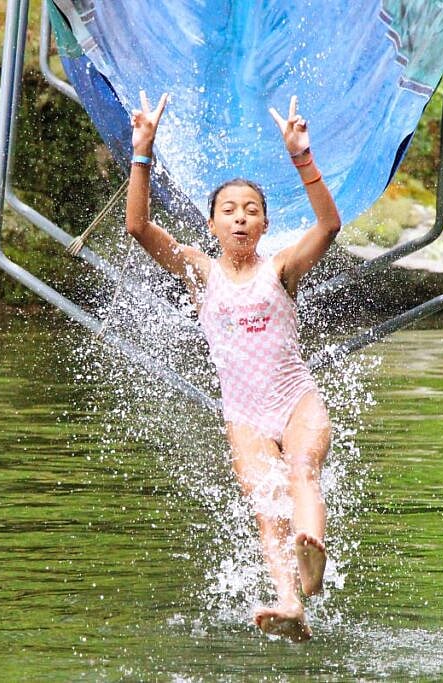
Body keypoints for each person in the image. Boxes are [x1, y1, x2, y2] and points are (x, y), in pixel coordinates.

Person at [125, 91, 341, 642]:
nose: (241, 218)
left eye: (251, 211)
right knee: (268, 511)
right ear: (213, 223)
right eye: (229, 210)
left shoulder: (283, 268)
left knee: (300, 474)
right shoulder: (199, 272)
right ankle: (291, 604)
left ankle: (312, 551)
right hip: (244, 415)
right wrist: (142, 152)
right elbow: (138, 229)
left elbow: (329, 227)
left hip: (295, 402)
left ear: (266, 225)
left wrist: (303, 158)